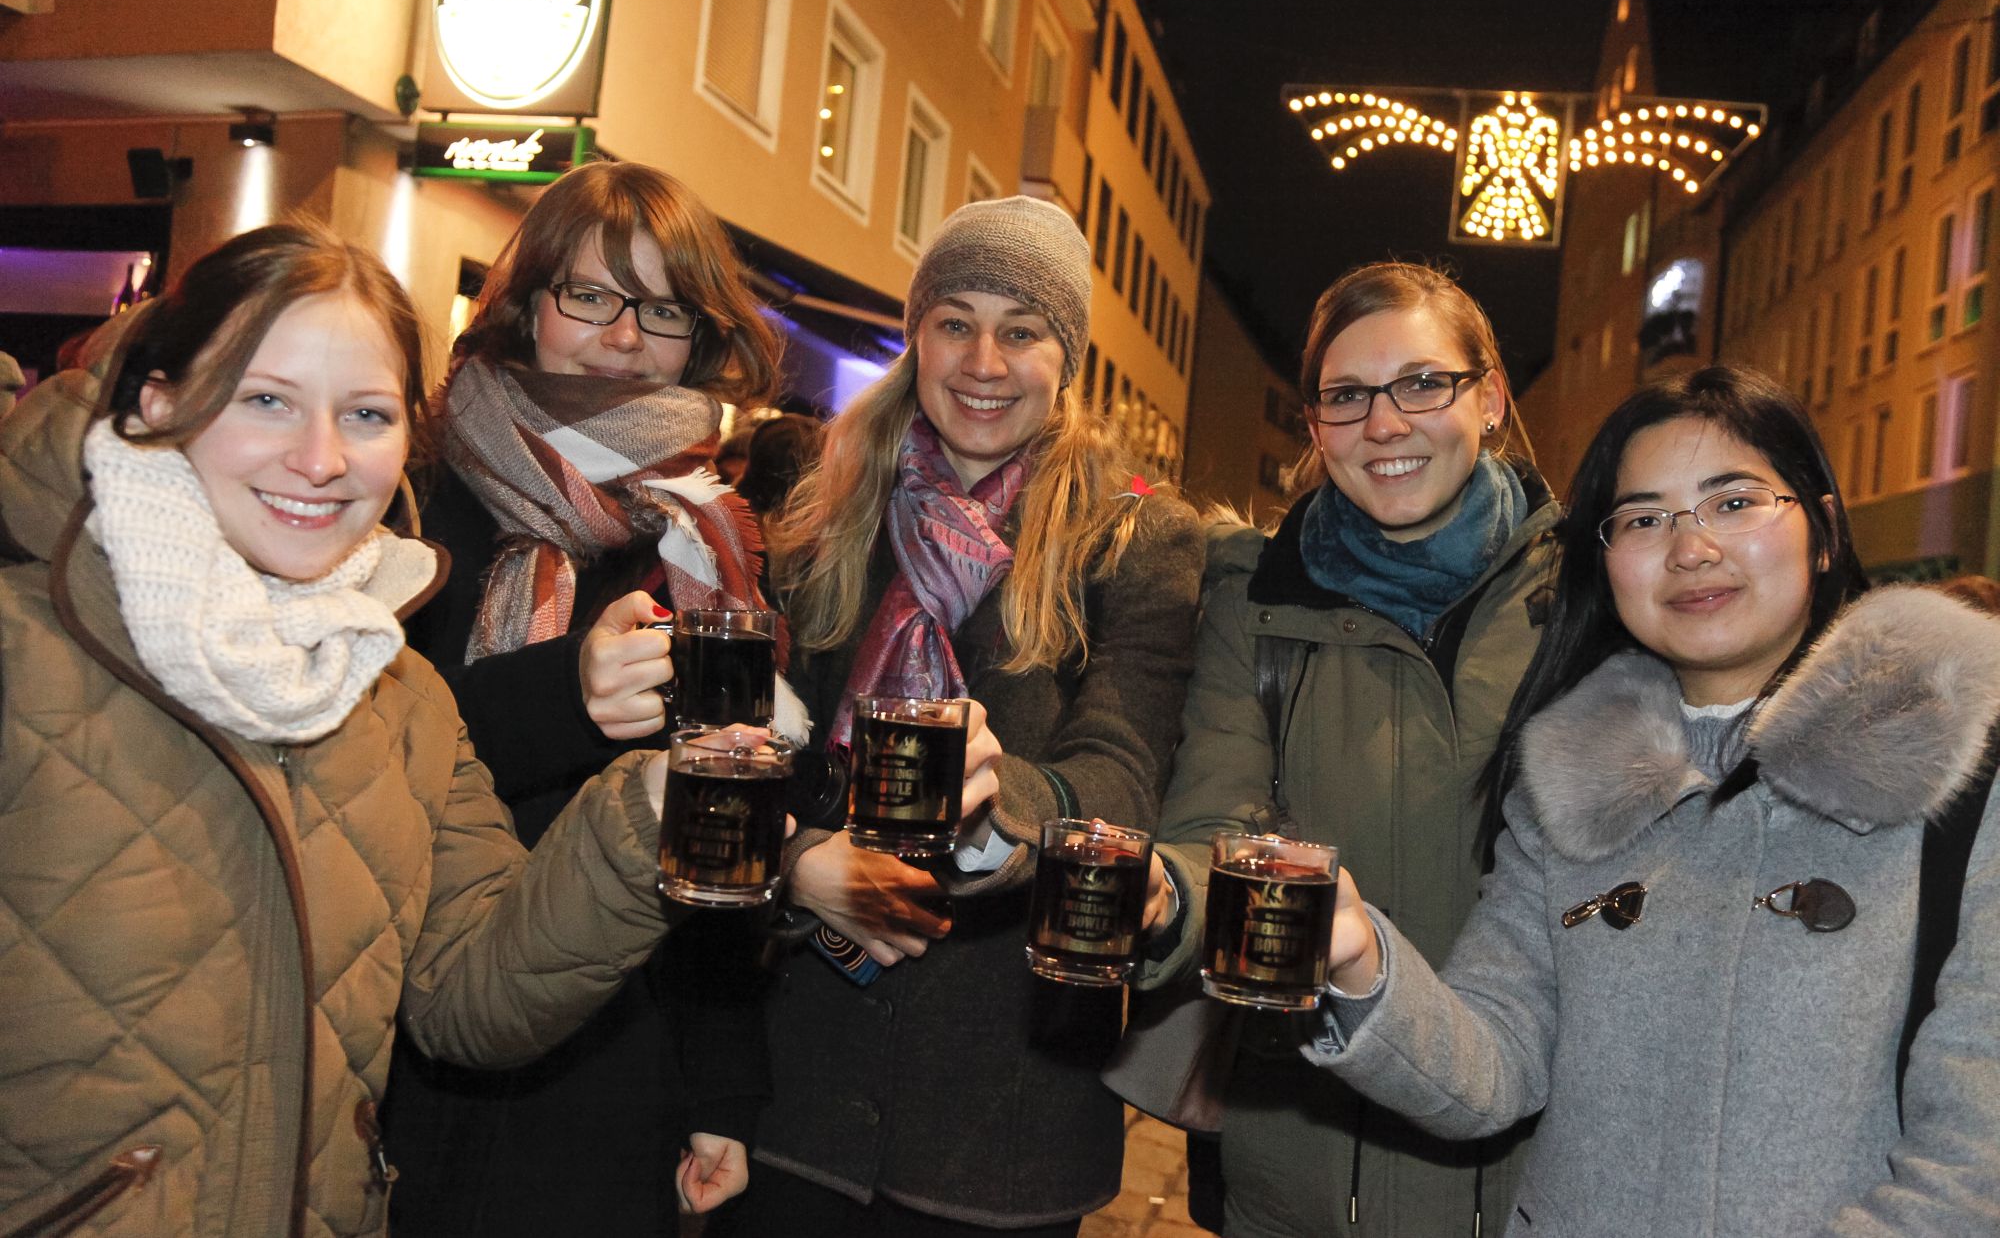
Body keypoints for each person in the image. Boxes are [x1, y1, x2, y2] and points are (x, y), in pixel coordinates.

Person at [0, 223, 682, 1237]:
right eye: (264, 399)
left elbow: (470, 996)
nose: (319, 460)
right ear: (157, 402)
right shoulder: (26, 651)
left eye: (364, 413)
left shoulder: (394, 688)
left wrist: (644, 825)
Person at [1307, 365, 2000, 1235]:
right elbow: (1493, 1065)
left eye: (1735, 502)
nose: (1691, 548)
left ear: (1823, 529)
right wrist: (1359, 957)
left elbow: (1975, 1166)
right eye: (1643, 518)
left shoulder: (1965, 766)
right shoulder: (1568, 787)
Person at [705, 195, 1205, 1237]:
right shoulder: (829, 514)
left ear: (1064, 358)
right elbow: (753, 762)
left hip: (998, 1122)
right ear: (915, 336)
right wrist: (796, 862)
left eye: (1021, 330)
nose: (983, 358)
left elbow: (1116, 775)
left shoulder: (1136, 539)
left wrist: (993, 810)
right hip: (796, 1090)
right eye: (953, 321)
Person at [383, 161, 790, 1235]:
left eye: (662, 309)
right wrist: (560, 695)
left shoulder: (709, 540)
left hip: (618, 1055)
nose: (622, 337)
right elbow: (354, 758)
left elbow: (719, 840)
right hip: (401, 1031)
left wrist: (721, 1093)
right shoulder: (404, 491)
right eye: (589, 295)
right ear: (524, 304)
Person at [1123, 261, 1555, 1236]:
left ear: (1487, 398)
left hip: (1526, 1175)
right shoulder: (1258, 595)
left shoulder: (1583, 598)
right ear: (1314, 425)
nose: (1385, 423)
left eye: (1421, 383)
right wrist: (1165, 899)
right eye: (1347, 396)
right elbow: (1214, 822)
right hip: (1307, 1169)